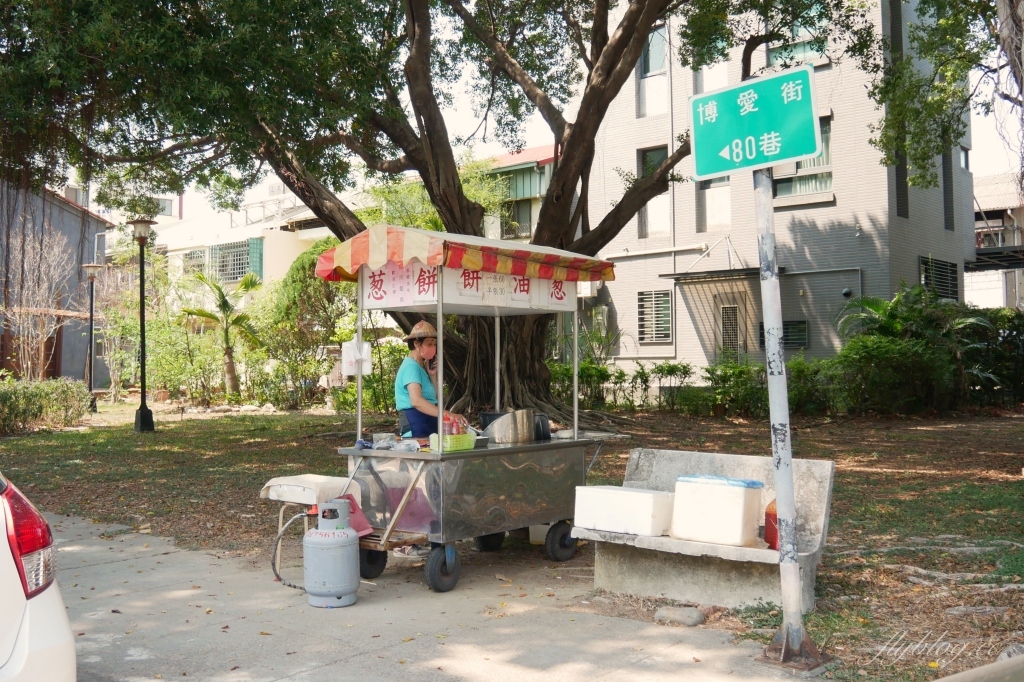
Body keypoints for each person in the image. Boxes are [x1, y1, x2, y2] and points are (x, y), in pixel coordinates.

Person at [394, 320, 467, 438]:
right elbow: (416, 401)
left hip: (428, 423)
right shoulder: (411, 367)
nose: (433, 347)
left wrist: (432, 375)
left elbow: (436, 399)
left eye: (434, 344)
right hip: (415, 425)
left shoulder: (420, 367)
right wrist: (448, 414)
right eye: (429, 344)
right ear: (417, 344)